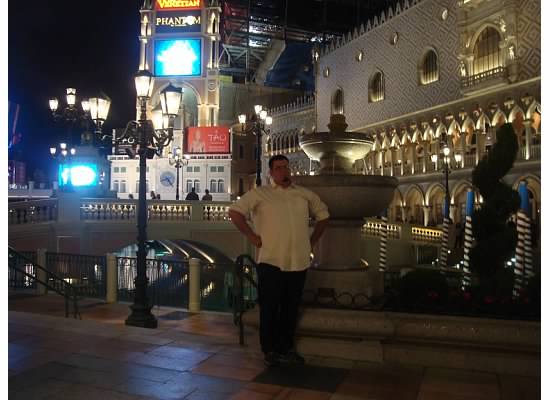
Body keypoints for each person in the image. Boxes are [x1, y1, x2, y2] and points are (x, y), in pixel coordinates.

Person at [228, 154, 329, 367]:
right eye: (279, 168)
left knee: (291, 309)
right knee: (269, 308)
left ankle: (286, 348)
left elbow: (323, 215)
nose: (284, 171)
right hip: (271, 261)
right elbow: (235, 212)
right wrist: (251, 236)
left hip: (298, 261)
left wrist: (312, 241)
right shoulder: (260, 194)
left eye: (286, 167)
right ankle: (269, 350)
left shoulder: (304, 194)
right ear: (271, 172)